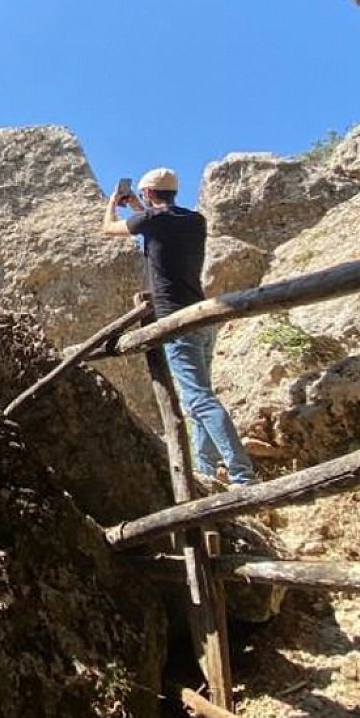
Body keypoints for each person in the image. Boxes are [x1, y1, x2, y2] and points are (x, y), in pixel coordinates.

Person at [102, 167, 258, 486]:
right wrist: (139, 207)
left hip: (176, 320)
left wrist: (113, 202)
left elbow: (109, 229)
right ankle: (207, 470)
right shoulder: (194, 220)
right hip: (202, 316)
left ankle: (242, 474)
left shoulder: (152, 221)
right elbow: (157, 224)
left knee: (198, 398)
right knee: (198, 397)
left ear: (147, 193)